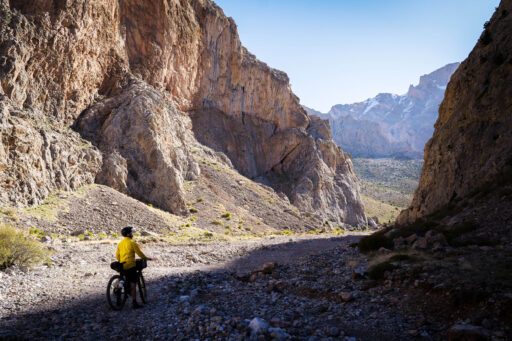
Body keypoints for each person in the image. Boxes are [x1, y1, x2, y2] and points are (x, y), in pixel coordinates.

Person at [115, 226, 151, 309]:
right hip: (130, 265)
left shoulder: (120, 243)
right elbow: (139, 253)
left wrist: (121, 260)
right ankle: (134, 303)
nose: (132, 233)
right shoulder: (132, 243)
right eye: (131, 232)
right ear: (128, 234)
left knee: (122, 280)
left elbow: (117, 255)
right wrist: (146, 258)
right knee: (133, 283)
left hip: (121, 265)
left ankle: (119, 292)